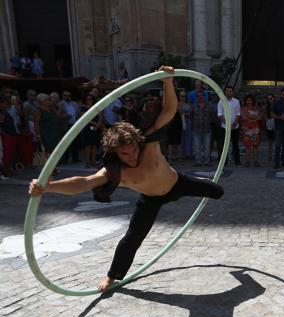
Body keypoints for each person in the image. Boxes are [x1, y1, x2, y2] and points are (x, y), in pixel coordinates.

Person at [28, 66, 224, 292]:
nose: (131, 157)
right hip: (150, 199)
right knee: (132, 238)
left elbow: (170, 110)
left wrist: (168, 81)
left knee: (217, 191)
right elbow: (84, 183)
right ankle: (112, 277)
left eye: (133, 150)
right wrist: (48, 187)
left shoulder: (148, 143)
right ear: (115, 153)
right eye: (124, 154)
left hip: (178, 184)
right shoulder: (113, 170)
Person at [216, 86, 241, 166]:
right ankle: (224, 162)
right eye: (227, 91)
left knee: (235, 145)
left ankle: (237, 162)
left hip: (235, 127)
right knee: (223, 145)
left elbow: (238, 114)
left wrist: (234, 124)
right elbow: (219, 115)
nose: (229, 93)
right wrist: (227, 124)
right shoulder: (221, 102)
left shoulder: (236, 102)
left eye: (230, 91)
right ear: (225, 92)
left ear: (232, 92)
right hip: (224, 127)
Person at [34, 94, 60, 161]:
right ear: (42, 101)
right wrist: (38, 134)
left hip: (53, 132)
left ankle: (54, 166)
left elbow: (57, 115)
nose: (49, 101)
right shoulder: (39, 110)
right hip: (45, 133)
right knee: (47, 150)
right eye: (47, 100)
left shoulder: (51, 109)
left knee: (55, 149)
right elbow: (36, 123)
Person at [79, 94, 103, 168]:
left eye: (91, 99)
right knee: (88, 145)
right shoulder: (83, 108)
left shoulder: (96, 107)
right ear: (85, 100)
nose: (89, 101)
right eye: (87, 99)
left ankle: (93, 161)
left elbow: (100, 117)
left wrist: (98, 125)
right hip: (87, 128)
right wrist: (95, 123)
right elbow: (84, 117)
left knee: (94, 145)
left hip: (95, 128)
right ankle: (87, 162)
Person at [58, 91, 81, 163]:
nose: (67, 97)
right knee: (65, 143)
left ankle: (75, 158)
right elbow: (58, 115)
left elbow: (78, 113)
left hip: (74, 124)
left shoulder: (74, 104)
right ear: (63, 96)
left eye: (68, 95)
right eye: (65, 95)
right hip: (65, 125)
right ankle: (65, 158)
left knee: (75, 142)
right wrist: (65, 117)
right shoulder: (60, 104)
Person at [190, 92, 212, 166]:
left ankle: (206, 162)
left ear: (204, 96)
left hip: (207, 130)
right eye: (198, 96)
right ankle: (198, 162)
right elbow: (190, 116)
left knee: (207, 147)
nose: (200, 97)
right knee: (197, 147)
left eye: (201, 96)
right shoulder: (193, 106)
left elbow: (211, 116)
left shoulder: (209, 106)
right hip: (196, 129)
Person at [241, 94, 262, 167]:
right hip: (246, 130)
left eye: (250, 100)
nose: (249, 101)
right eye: (247, 100)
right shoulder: (243, 108)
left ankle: (256, 161)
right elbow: (244, 117)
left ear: (253, 101)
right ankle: (247, 161)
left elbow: (259, 117)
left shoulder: (257, 108)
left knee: (256, 145)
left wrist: (250, 117)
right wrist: (253, 117)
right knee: (247, 146)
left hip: (255, 129)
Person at [0, 97, 18, 177]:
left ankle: (9, 169)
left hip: (11, 134)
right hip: (5, 135)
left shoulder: (6, 111)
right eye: (3, 103)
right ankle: (5, 171)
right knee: (6, 154)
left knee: (10, 153)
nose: (5, 104)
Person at [178, 91, 193, 159]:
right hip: (179, 122)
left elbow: (190, 114)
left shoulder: (188, 104)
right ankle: (180, 154)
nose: (183, 98)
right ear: (179, 96)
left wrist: (183, 113)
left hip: (187, 122)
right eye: (181, 96)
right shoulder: (177, 104)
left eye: (184, 96)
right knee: (180, 138)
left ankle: (188, 154)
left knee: (188, 138)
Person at [264, 94, 275, 162]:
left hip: (276, 123)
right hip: (269, 123)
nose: (270, 100)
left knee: (278, 141)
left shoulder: (277, 105)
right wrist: (267, 120)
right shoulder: (266, 107)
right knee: (270, 141)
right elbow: (265, 114)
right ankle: (270, 155)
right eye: (268, 99)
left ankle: (276, 155)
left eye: (271, 98)